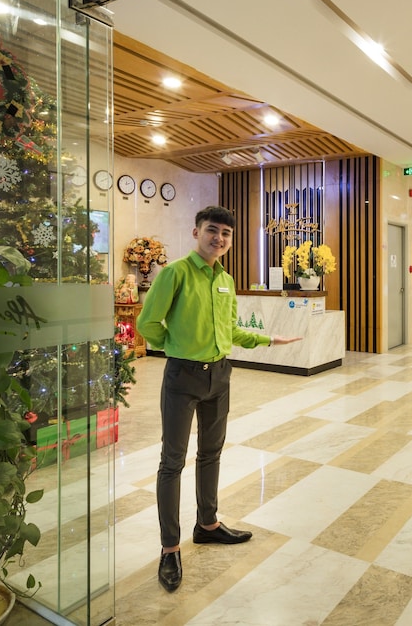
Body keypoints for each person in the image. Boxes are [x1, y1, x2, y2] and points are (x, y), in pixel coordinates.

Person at [137, 205, 302, 593]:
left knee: (211, 453)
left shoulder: (225, 280)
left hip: (219, 376)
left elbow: (229, 330)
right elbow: (147, 323)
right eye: (212, 230)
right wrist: (176, 346)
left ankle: (207, 524)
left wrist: (268, 339)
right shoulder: (176, 273)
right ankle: (170, 547)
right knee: (172, 461)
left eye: (226, 233)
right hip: (183, 376)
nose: (219, 238)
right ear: (196, 232)